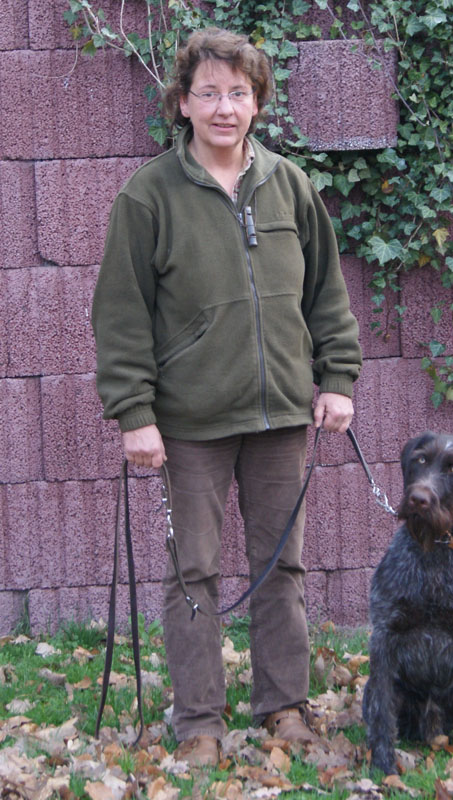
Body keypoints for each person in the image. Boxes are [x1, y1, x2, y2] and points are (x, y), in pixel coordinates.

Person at [92, 27, 362, 768]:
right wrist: (135, 415)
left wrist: (337, 379)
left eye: (238, 93)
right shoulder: (148, 195)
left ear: (257, 102)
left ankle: (284, 709)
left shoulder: (290, 184)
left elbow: (326, 294)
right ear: (182, 102)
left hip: (281, 417)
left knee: (283, 569)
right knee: (195, 574)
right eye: (208, 92)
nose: (223, 107)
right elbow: (120, 315)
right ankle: (200, 725)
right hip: (190, 424)